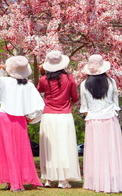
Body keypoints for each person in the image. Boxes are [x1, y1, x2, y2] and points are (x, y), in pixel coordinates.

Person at [0, 55, 45, 192]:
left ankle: (11, 181)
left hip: (4, 117)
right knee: (20, 149)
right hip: (20, 118)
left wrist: (2, 71)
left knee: (6, 149)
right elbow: (40, 106)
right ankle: (16, 180)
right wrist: (31, 117)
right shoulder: (29, 85)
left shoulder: (4, 81)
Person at [79, 55, 122, 193]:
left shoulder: (84, 84)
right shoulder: (111, 82)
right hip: (109, 119)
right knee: (111, 150)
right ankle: (112, 180)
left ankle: (97, 181)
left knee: (96, 151)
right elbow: (115, 104)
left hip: (93, 121)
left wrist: (94, 114)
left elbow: (84, 108)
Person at [37, 50, 81, 188]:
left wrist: (42, 74)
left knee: (49, 148)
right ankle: (63, 180)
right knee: (64, 146)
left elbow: (38, 91)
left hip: (48, 115)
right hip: (64, 115)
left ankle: (49, 179)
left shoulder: (43, 79)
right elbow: (75, 97)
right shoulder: (69, 78)